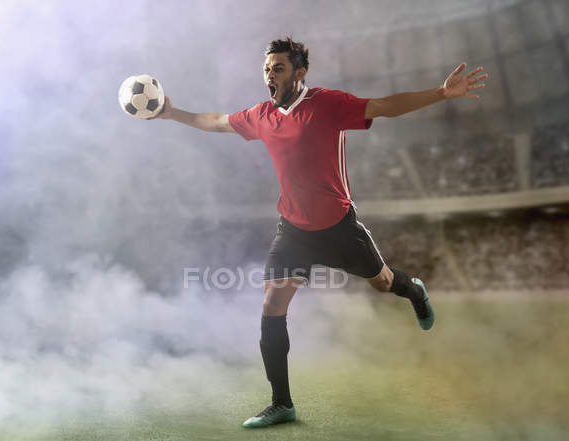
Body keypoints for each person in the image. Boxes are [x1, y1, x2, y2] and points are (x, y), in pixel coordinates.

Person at [153, 37, 487, 428]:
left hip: (339, 227)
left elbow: (384, 106)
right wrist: (172, 113)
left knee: (381, 283)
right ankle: (281, 404)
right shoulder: (261, 115)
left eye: (278, 68)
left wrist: (442, 93)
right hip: (293, 230)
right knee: (272, 305)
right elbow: (217, 121)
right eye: (266, 69)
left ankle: (413, 289)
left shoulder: (327, 104)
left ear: (300, 73)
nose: (270, 75)